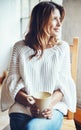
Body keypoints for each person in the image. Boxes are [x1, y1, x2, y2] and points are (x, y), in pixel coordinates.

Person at [1, 1, 76, 130]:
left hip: (52, 108)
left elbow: (63, 86)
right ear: (41, 21)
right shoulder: (19, 47)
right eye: (54, 19)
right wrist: (29, 102)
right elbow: (11, 84)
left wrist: (49, 105)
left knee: (32, 128)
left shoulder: (62, 48)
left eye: (60, 19)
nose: (59, 24)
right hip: (22, 107)